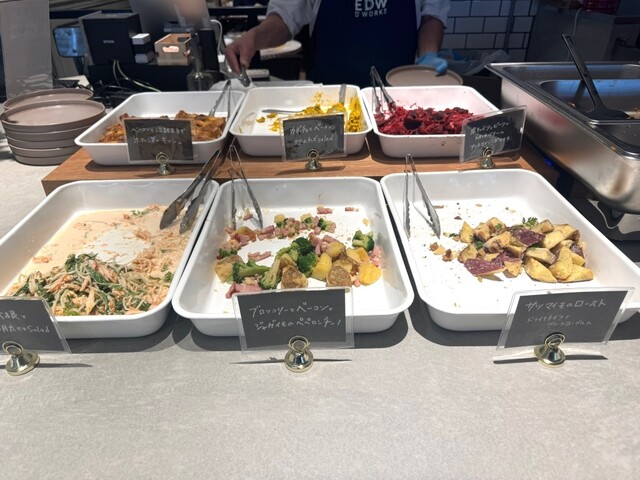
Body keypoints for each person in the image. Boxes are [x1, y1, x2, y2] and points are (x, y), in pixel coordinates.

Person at [225, 0, 450, 87]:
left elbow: (432, 13)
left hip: (398, 92)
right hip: (329, 93)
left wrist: (428, 55)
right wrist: (253, 38)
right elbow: (285, 17)